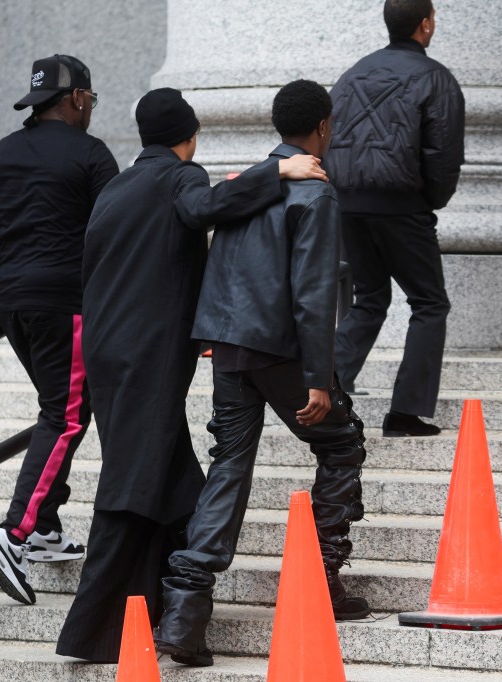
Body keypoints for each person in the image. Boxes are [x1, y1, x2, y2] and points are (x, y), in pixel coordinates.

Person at [55, 88, 328, 663]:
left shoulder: (118, 187)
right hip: (149, 355)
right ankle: (97, 630)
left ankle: (172, 601)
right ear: (190, 134)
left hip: (107, 351)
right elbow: (202, 209)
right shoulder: (180, 178)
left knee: (173, 477)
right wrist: (277, 171)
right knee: (133, 482)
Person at [153, 80, 369, 668]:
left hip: (227, 344)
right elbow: (314, 293)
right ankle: (321, 581)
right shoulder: (315, 191)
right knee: (342, 445)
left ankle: (184, 614)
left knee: (229, 465)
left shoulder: (246, 184)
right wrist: (320, 378)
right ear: (324, 126)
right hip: (277, 348)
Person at [0, 54, 119, 603]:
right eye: (90, 99)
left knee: (58, 407)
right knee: (66, 415)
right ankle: (13, 533)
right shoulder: (91, 154)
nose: (90, 106)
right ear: (79, 98)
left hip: (13, 302)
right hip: (67, 302)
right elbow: (118, 226)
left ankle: (44, 528)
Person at [325, 0, 465, 436]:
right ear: (426, 25)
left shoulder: (352, 75)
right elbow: (442, 152)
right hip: (401, 203)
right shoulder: (434, 77)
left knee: (369, 299)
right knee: (429, 303)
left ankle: (326, 391)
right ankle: (405, 413)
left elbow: (326, 133)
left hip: (347, 201)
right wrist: (429, 200)